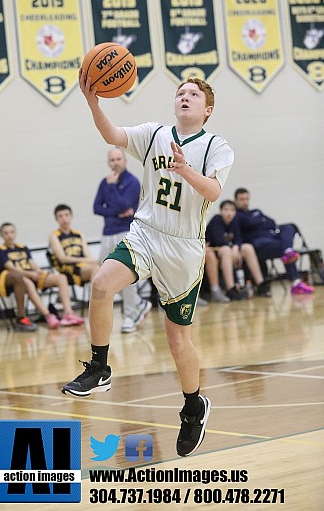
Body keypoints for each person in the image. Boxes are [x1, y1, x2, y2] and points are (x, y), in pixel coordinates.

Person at [62, 74, 234, 458]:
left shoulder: (216, 146)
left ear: (207, 110)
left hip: (184, 247)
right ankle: (99, 367)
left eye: (193, 94)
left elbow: (213, 191)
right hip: (145, 231)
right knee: (102, 283)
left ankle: (193, 406)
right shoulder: (154, 133)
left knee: (177, 341)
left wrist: (185, 169)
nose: (185, 97)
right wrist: (93, 103)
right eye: (180, 93)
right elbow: (112, 135)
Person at [93, 147, 151, 333]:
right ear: (108, 162)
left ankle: (131, 314)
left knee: (123, 275)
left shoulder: (132, 182)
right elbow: (97, 208)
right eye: (112, 160)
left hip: (125, 232)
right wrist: (118, 212)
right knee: (102, 275)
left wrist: (113, 194)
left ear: (125, 161)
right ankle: (139, 303)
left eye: (119, 159)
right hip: (107, 233)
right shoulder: (104, 182)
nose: (115, 162)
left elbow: (125, 205)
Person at [0, 223, 84, 329]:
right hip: (19, 279)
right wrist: (30, 274)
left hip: (32, 274)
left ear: (16, 233)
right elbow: (12, 269)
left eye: (12, 232)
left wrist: (38, 271)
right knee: (27, 283)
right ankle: (48, 315)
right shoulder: (0, 251)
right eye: (6, 233)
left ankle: (68, 313)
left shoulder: (23, 248)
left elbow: (31, 263)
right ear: (1, 235)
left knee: (61, 278)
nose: (9, 235)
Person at [234, 188, 314, 295]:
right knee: (283, 247)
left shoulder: (255, 211)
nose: (245, 202)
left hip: (271, 239)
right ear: (236, 200)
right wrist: (259, 220)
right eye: (242, 199)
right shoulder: (236, 216)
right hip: (257, 245)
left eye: (247, 199)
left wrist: (256, 221)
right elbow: (249, 223)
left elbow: (271, 222)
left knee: (290, 226)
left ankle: (288, 250)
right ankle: (295, 278)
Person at [206, 200, 271, 300]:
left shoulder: (234, 221)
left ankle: (260, 283)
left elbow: (238, 238)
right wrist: (233, 249)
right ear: (221, 211)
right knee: (226, 250)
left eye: (232, 210)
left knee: (247, 248)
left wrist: (236, 247)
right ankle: (230, 288)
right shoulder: (216, 220)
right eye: (226, 210)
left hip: (229, 250)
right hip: (214, 250)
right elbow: (219, 241)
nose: (229, 213)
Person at [49, 204, 100, 294]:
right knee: (95, 269)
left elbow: (87, 254)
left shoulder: (79, 234)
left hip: (83, 266)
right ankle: (96, 303)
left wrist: (94, 261)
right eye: (60, 216)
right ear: (56, 219)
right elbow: (63, 258)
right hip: (67, 268)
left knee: (106, 268)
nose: (64, 219)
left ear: (71, 216)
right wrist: (85, 260)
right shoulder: (54, 235)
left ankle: (104, 299)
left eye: (66, 215)